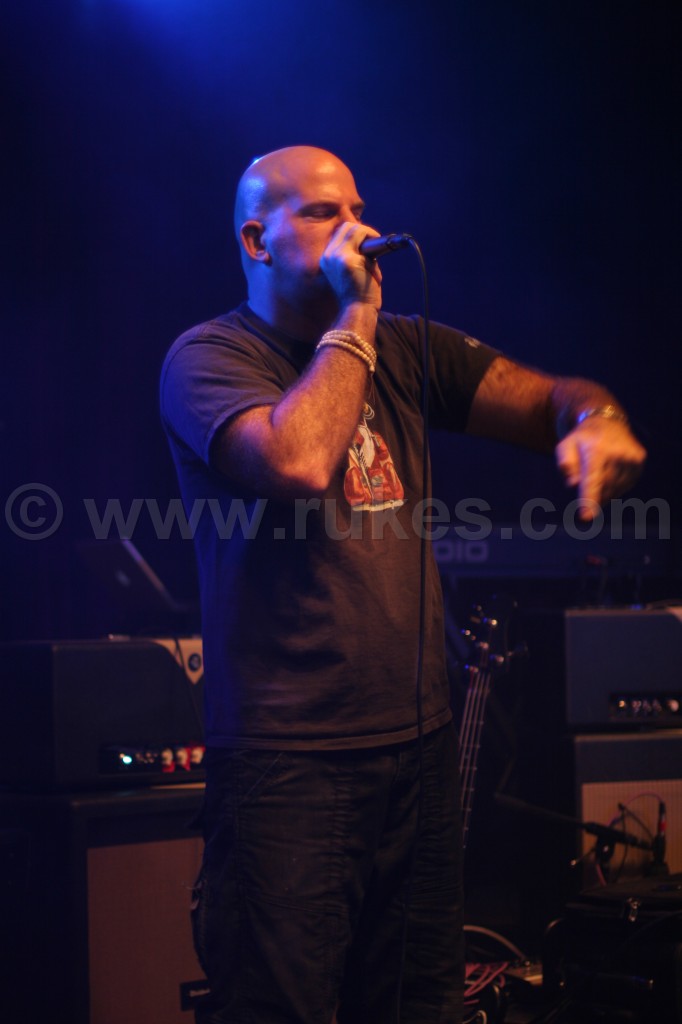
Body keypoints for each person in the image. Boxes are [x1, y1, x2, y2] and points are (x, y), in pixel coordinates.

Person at [160, 145, 645, 1024]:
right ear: (257, 240)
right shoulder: (210, 358)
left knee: (421, 1003)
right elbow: (298, 462)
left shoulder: (409, 348)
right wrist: (355, 316)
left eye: (357, 207)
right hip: (288, 766)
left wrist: (595, 418)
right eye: (323, 212)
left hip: (416, 754)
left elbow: (552, 398)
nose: (358, 228)